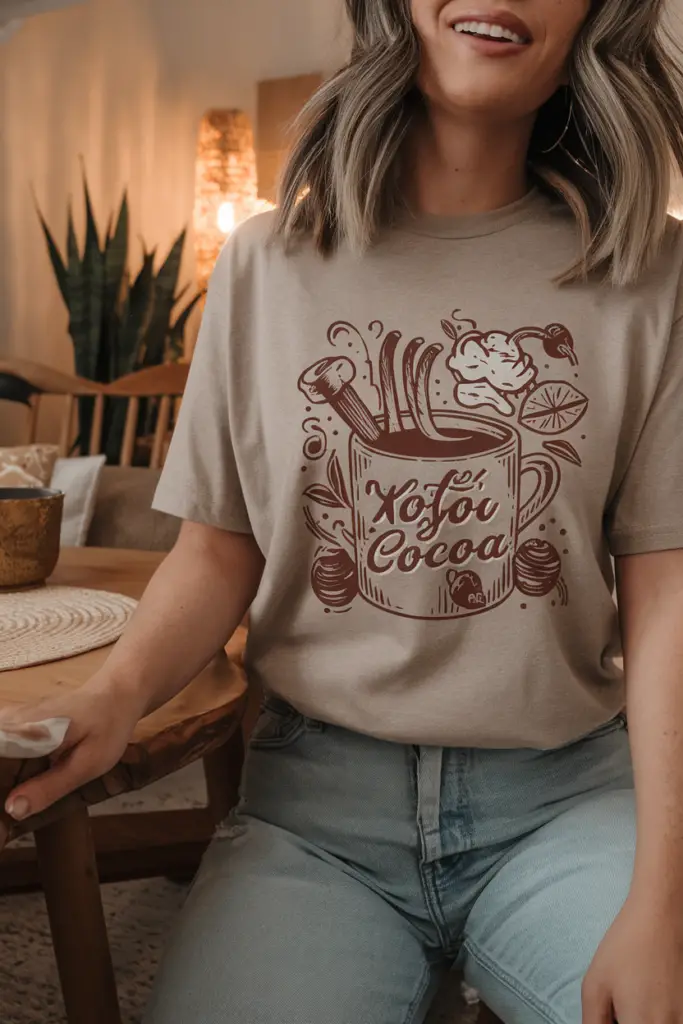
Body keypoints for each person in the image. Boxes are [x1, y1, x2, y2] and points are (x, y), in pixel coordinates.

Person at [4, 0, 683, 1021]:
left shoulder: (653, 275)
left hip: (569, 799)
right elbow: (216, 549)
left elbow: (666, 594)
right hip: (311, 811)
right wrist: (115, 695)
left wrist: (661, 899)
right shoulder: (264, 263)